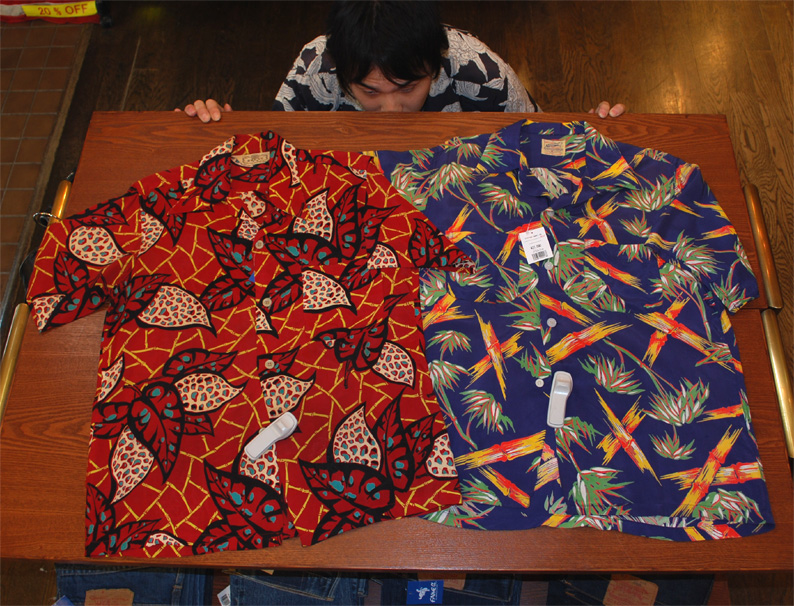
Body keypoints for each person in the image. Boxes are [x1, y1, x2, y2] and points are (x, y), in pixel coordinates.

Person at [178, 0, 624, 121]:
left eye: (408, 88)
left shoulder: (482, 74)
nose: (391, 111)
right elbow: (278, 159)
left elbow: (539, 144)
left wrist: (596, 134)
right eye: (369, 91)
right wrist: (215, 131)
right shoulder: (315, 69)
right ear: (341, 72)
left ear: (437, 62)